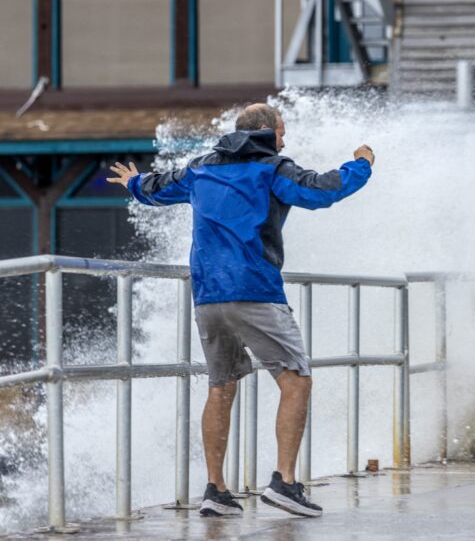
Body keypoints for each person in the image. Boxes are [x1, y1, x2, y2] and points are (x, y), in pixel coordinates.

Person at [107, 103, 374, 518]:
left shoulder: (200, 169)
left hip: (209, 295)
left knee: (221, 386)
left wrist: (134, 182)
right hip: (254, 291)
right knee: (296, 381)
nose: (285, 138)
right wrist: (361, 164)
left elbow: (156, 189)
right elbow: (324, 189)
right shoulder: (272, 168)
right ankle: (284, 483)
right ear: (266, 131)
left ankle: (216, 490)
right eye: (282, 131)